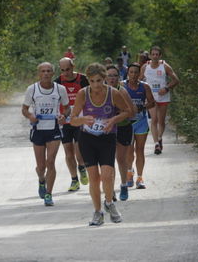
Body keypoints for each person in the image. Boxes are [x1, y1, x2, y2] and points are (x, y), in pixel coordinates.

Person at [70, 63, 132, 226]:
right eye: (92, 81)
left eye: (99, 81)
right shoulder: (83, 94)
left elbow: (127, 111)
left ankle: (109, 203)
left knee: (107, 175)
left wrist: (113, 120)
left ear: (104, 79)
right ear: (88, 81)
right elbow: (73, 119)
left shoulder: (114, 93)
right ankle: (97, 212)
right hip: (87, 139)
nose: (96, 85)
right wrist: (83, 119)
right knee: (94, 178)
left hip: (107, 138)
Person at [22, 62, 70, 206]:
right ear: (39, 74)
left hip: (54, 129)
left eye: (49, 71)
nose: (46, 74)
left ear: (53, 73)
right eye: (43, 71)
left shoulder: (60, 89)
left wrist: (63, 116)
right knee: (41, 166)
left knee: (51, 162)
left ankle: (49, 194)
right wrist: (30, 116)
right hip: (38, 129)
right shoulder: (32, 89)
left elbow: (67, 108)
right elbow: (24, 109)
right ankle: (41, 180)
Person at [54, 57, 89, 191]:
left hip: (80, 120)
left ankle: (81, 166)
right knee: (68, 152)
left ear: (73, 67)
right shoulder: (57, 82)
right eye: (62, 70)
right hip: (65, 121)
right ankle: (74, 180)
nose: (65, 73)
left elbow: (91, 97)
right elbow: (54, 101)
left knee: (78, 150)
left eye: (67, 69)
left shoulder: (83, 79)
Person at [140, 46, 179, 155]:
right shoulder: (145, 67)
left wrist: (166, 88)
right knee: (154, 119)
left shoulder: (164, 66)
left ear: (160, 56)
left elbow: (176, 80)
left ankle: (160, 137)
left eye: (157, 54)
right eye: (153, 54)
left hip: (163, 96)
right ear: (150, 55)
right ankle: (156, 143)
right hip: (150, 97)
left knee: (161, 121)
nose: (155, 56)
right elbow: (139, 81)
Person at [106, 65, 136, 200]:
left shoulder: (122, 91)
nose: (112, 78)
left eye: (114, 76)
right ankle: (110, 189)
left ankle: (124, 185)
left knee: (121, 159)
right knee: (108, 160)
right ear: (104, 77)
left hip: (123, 127)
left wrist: (118, 113)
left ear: (119, 77)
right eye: (109, 76)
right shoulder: (101, 91)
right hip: (107, 129)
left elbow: (132, 111)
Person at [124, 63, 155, 189]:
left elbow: (152, 102)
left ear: (139, 74)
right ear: (128, 73)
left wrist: (142, 107)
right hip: (127, 122)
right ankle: (129, 172)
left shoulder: (145, 87)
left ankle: (140, 178)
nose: (133, 75)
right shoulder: (122, 86)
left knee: (140, 150)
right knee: (129, 151)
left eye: (136, 72)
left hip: (141, 121)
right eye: (131, 72)